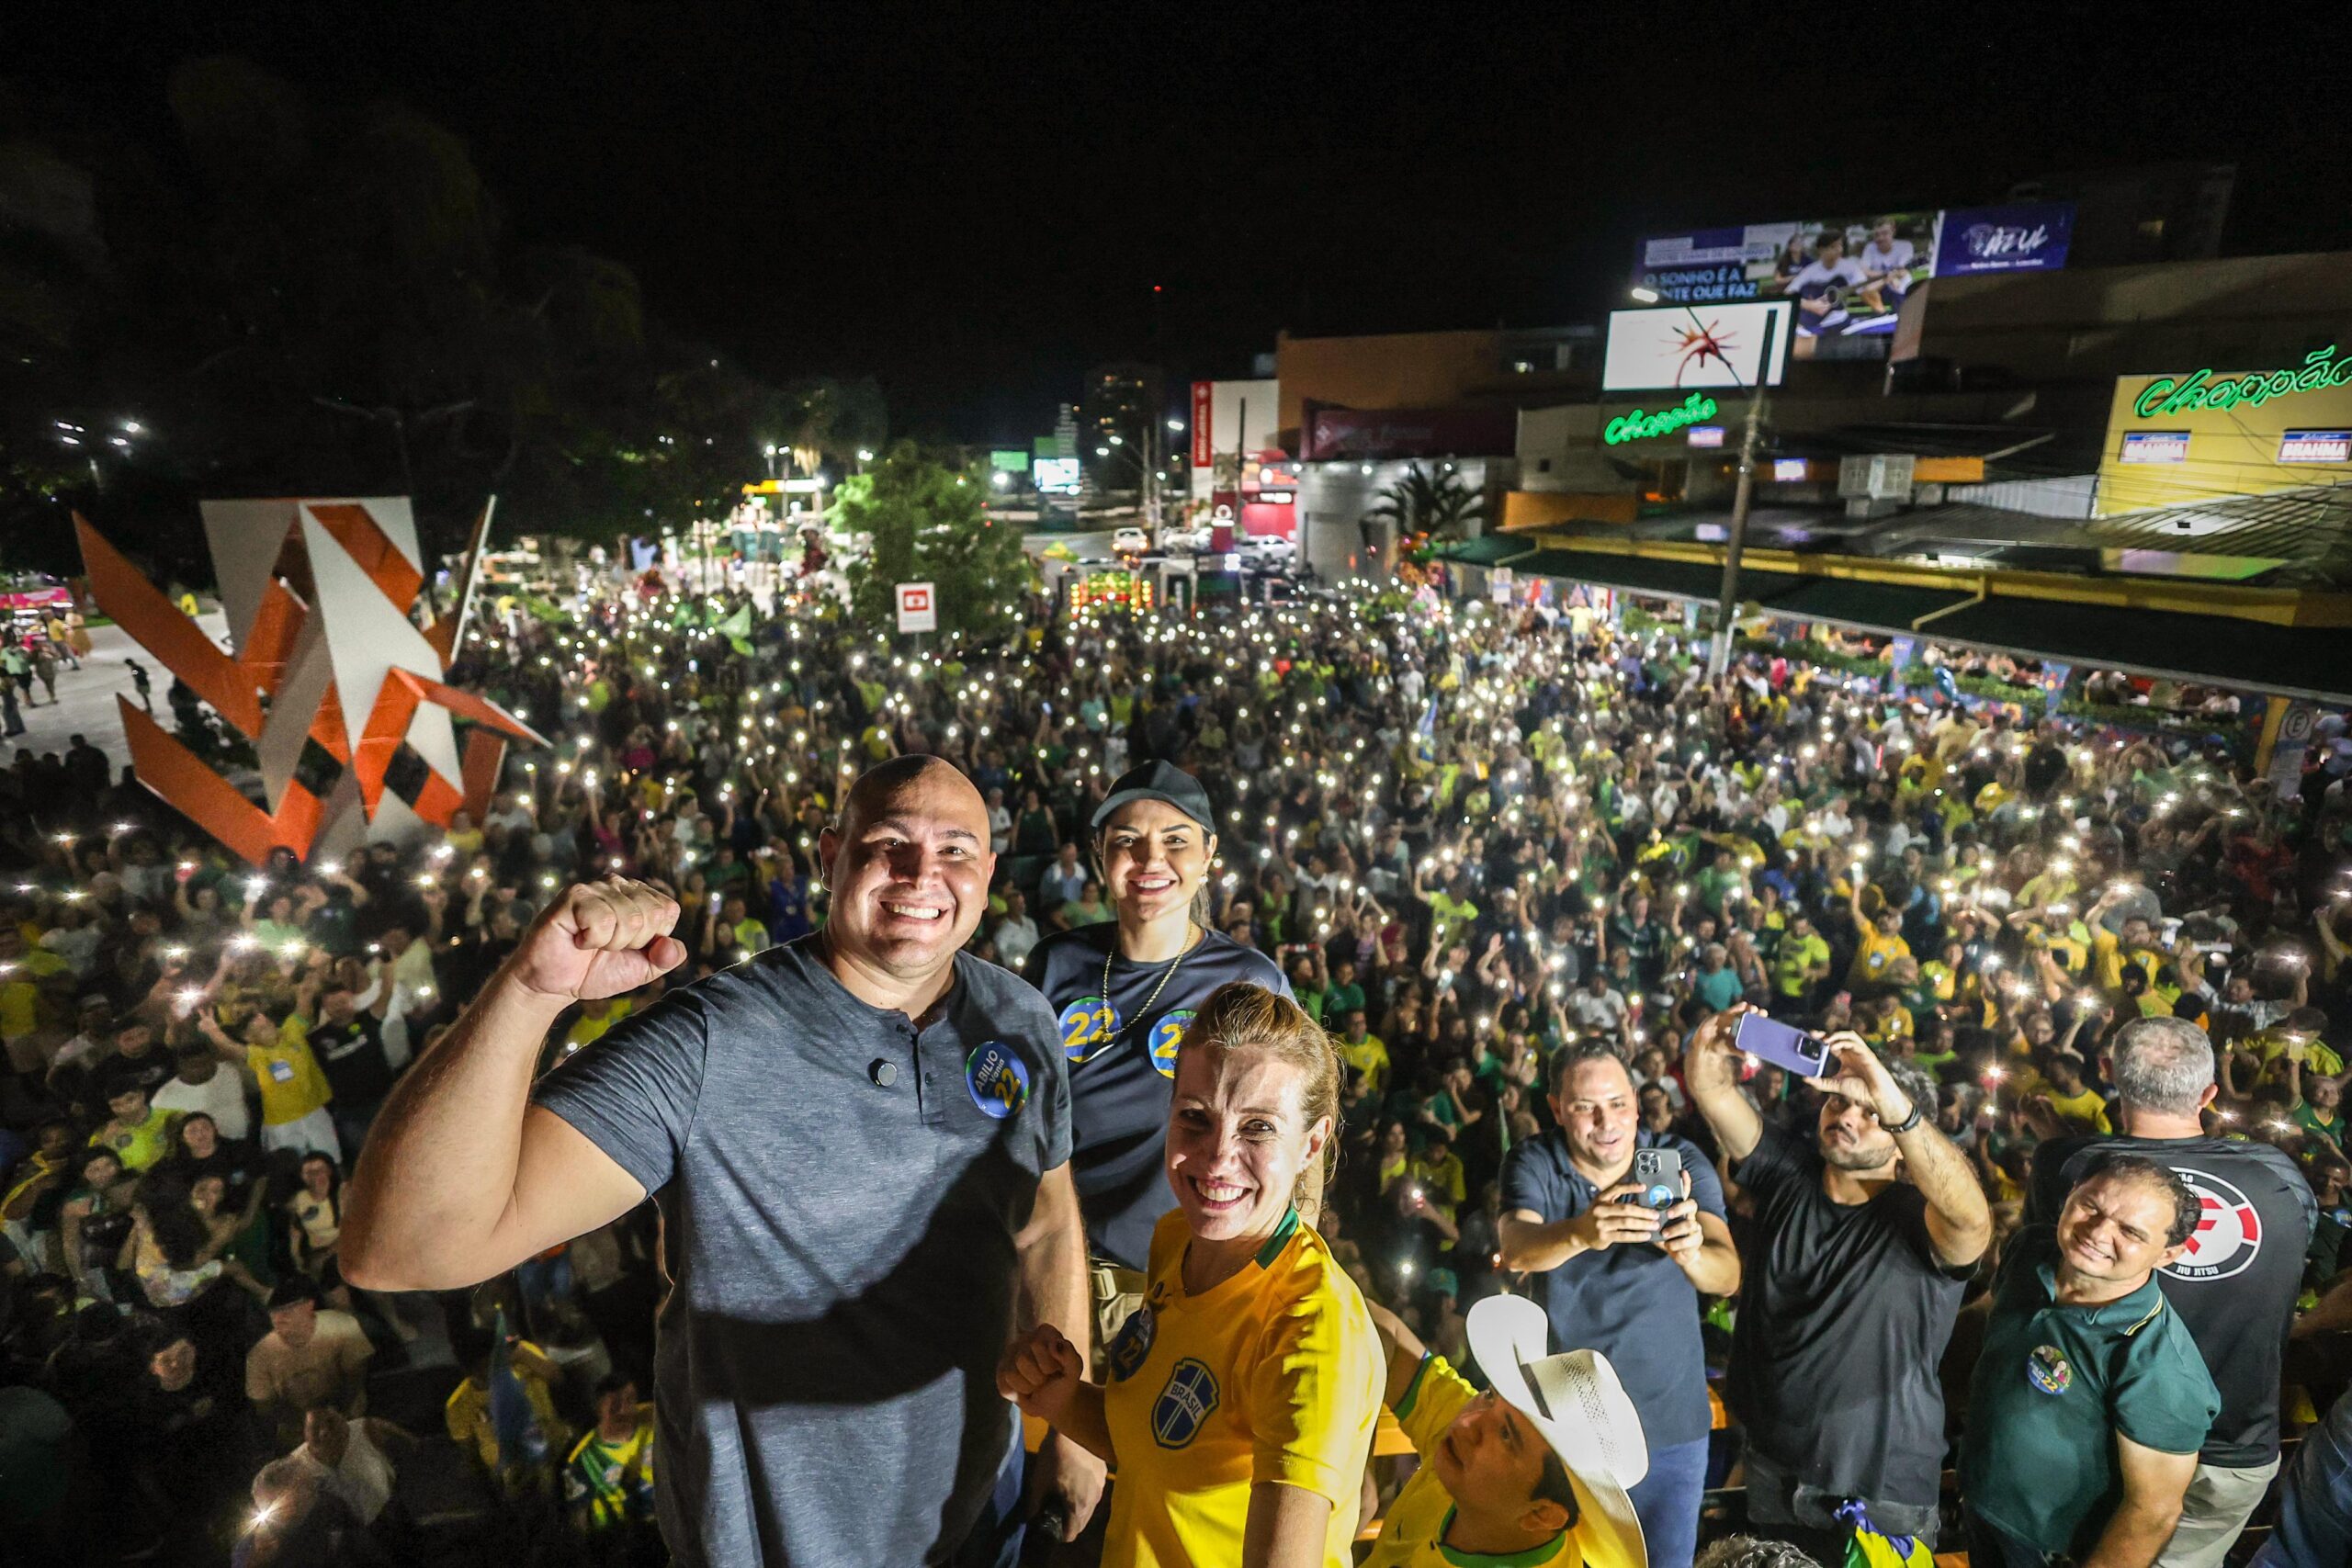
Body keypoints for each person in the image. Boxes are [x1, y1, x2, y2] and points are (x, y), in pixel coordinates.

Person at [342, 755, 1091, 1568]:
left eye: (954, 849)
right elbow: (405, 1246)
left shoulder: (1020, 1018)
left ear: (986, 870)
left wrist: (1074, 1424)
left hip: (983, 1510)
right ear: (828, 853)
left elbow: (1046, 1222)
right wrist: (530, 990)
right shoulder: (709, 1042)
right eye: (888, 842)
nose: (922, 872)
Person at [999, 981, 1383, 1568]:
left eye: (1257, 1128)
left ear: (1312, 1143)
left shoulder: (1314, 1330)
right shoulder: (1176, 1239)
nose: (1217, 1156)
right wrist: (1059, 1396)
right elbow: (1161, 1439)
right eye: (1195, 1118)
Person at [1682, 1006, 1992, 1562]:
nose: (1848, 1115)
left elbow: (1973, 1222)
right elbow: (1713, 1091)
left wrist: (1891, 1098)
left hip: (1880, 1487)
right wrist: (1710, 1042)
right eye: (1839, 1100)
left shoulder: (1922, 1219)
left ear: (1902, 1137)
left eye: (1869, 1110)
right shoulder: (1787, 1172)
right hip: (1774, 1472)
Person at [2026, 1015, 2316, 1568]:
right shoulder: (2278, 1172)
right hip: (2235, 1448)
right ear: (2209, 1093)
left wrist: (2059, 1149)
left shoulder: (2072, 1168)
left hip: (2107, 1447)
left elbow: (2049, 1273)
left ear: (2108, 1075)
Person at [1026, 762, 1291, 1352]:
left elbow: (1296, 1144)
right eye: (1127, 841)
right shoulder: (1056, 965)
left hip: (1183, 1284)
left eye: (1175, 842)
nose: (1150, 861)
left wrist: (1279, 1275)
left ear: (1207, 856)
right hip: (1057, 1274)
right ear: (1100, 853)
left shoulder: (1247, 980)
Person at [1500, 1042, 1739, 1568]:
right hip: (1570, 1433)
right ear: (1558, 1108)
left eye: (1616, 1102)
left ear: (1636, 1101)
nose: (1605, 1121)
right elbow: (1517, 1247)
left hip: (1670, 1431)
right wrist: (1583, 1232)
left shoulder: (1679, 1159)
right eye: (1585, 1106)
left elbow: (1727, 1275)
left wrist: (1692, 1252)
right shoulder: (1536, 1160)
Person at [1962, 1156, 2220, 1568]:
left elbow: (2153, 1511)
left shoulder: (2155, 1362)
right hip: (1979, 1499)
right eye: (2091, 1207)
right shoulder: (2032, 1249)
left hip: (2047, 1546)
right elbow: (1994, 1313)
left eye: (2131, 1231)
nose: (2098, 1232)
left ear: (2167, 1255)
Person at [1361, 1291, 1648, 1568]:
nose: (1466, 1422)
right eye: (1490, 1395)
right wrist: (1353, 1454)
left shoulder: (1466, 1452)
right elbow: (1383, 1332)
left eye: (1506, 1436)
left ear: (1541, 1514)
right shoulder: (1470, 1448)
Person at [246, 1279, 374, 1448]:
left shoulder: (341, 1326)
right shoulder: (259, 1356)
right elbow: (265, 1407)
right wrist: (311, 1422)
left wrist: (340, 1412)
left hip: (351, 1416)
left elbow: (356, 1373)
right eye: (275, 1312)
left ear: (308, 1307)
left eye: (288, 1311)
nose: (280, 1319)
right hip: (300, 1436)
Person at [565, 1373, 658, 1532]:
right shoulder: (584, 1458)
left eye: (629, 1400)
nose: (623, 1410)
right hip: (624, 1534)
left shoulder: (653, 1419)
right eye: (614, 1405)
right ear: (599, 1408)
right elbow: (578, 1516)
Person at [290, 1405, 404, 1528]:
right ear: (305, 1433)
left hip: (393, 1516)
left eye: (330, 1423)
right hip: (344, 1538)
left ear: (343, 1417)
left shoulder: (366, 1429)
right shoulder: (295, 1465)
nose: (324, 1432)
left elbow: (410, 1446)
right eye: (315, 1428)